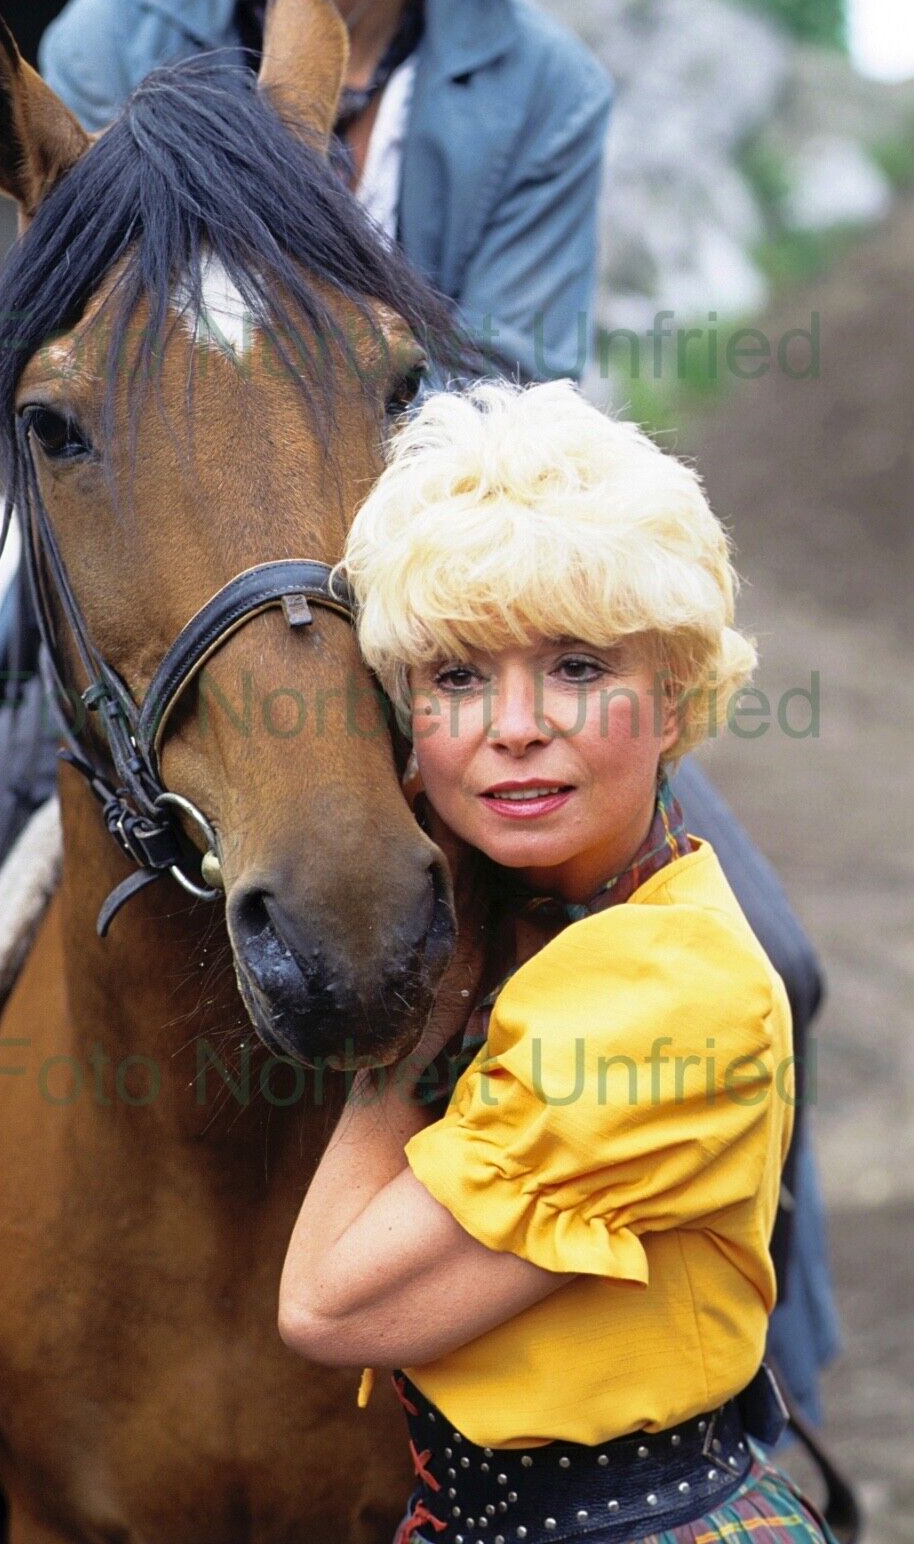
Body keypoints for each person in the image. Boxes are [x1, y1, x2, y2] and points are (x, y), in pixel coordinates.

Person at [0, 0, 838, 1428]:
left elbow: (517, 384)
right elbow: (112, 348)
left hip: (442, 616)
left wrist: (377, 479)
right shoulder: (129, 25)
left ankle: (754, 1384)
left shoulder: (540, 88)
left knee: (774, 958)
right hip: (146, 637)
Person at [281, 377, 837, 1544]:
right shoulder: (545, 915)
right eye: (457, 676)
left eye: (578, 669)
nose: (513, 725)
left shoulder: (659, 990)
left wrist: (415, 1024)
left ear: (671, 700)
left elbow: (326, 1302)